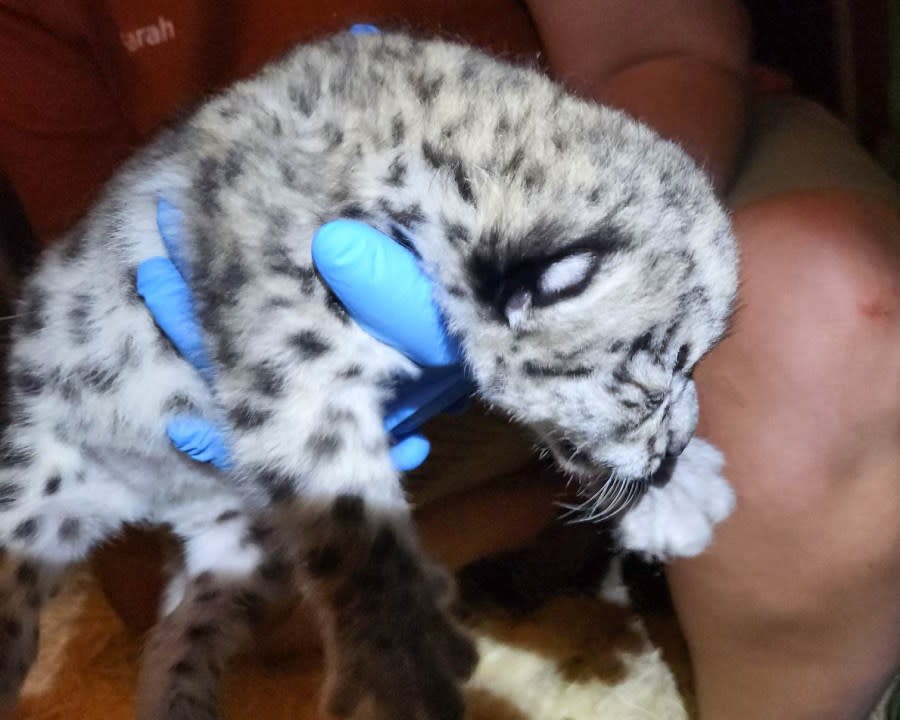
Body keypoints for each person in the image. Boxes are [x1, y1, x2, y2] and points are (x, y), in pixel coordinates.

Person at [1, 2, 899, 718]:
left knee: (832, 319)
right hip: (304, 291)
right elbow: (106, 255)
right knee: (196, 569)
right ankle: (557, 516)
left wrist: (599, 243)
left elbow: (657, 48)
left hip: (628, 156)